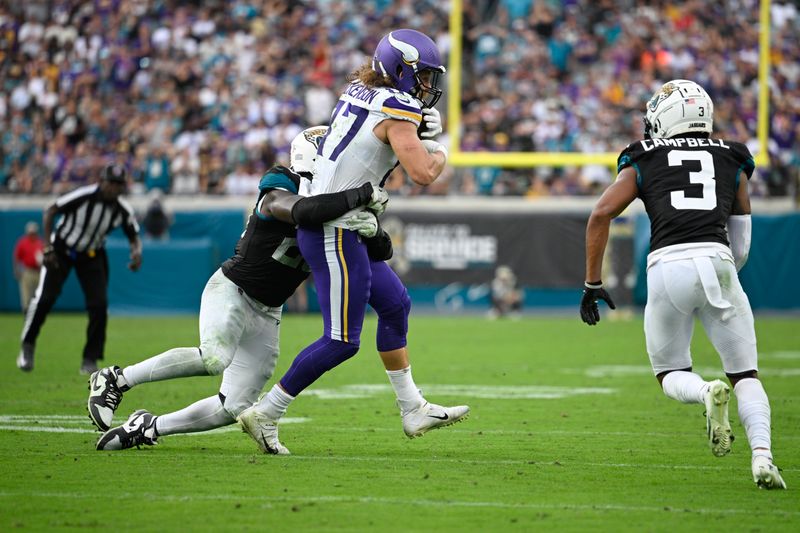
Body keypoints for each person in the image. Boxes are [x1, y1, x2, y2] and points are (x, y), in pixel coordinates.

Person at [237, 29, 469, 455]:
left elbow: (375, 136)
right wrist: (439, 149)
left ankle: (412, 407)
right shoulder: (397, 107)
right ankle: (266, 411)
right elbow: (423, 174)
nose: (427, 88)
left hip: (344, 225)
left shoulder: (360, 89)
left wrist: (414, 124)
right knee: (342, 339)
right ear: (399, 71)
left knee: (396, 304)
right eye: (422, 77)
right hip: (335, 231)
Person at [91, 127, 390, 450]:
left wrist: (372, 231)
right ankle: (117, 378)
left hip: (269, 311)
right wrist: (359, 196)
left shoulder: (338, 199)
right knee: (214, 358)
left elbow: (382, 252)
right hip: (234, 289)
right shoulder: (282, 182)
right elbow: (303, 211)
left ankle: (149, 427)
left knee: (233, 407)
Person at [580, 79, 786, 490]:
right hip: (719, 259)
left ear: (667, 117)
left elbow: (601, 213)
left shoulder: (644, 156)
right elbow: (741, 238)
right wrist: (726, 272)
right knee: (746, 374)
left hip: (667, 266)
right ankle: (762, 457)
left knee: (670, 372)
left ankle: (704, 391)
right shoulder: (733, 157)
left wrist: (592, 283)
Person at [18, 165, 142, 375]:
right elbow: (51, 210)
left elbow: (133, 235)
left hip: (92, 255)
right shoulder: (84, 195)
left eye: (118, 185)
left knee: (99, 305)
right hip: (62, 249)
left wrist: (136, 253)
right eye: (111, 183)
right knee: (45, 298)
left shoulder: (122, 209)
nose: (114, 188)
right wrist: (47, 247)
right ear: (102, 181)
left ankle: (90, 359)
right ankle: (27, 345)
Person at [13, 221, 44, 314]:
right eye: (31, 232)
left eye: (34, 232)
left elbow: (44, 258)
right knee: (26, 295)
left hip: (39, 271)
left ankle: (37, 312)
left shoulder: (40, 242)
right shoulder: (22, 242)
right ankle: (26, 312)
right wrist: (17, 270)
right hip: (27, 271)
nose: (32, 234)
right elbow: (17, 258)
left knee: (38, 294)